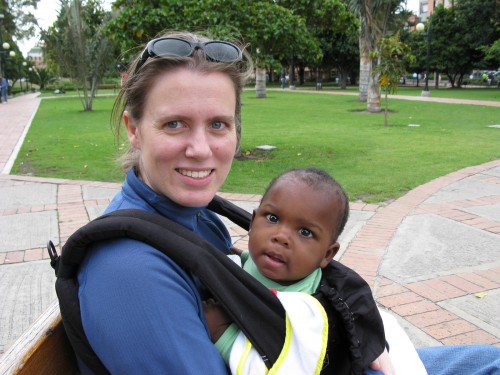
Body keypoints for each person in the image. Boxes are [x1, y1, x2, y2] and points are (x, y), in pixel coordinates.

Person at [73, 30, 500, 375]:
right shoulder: (130, 272)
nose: (200, 148)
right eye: (175, 124)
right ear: (134, 128)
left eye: (218, 124)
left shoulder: (194, 217)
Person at [203, 168, 393, 374]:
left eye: (305, 232)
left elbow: (282, 365)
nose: (281, 236)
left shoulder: (306, 310)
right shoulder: (255, 262)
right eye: (273, 218)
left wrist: (221, 332)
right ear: (252, 222)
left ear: (327, 255)